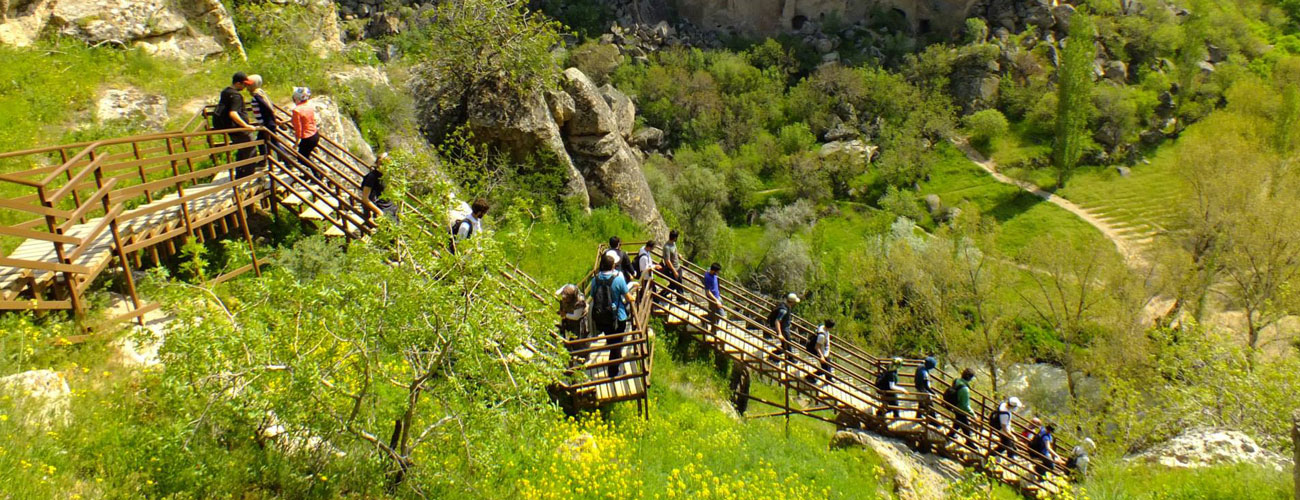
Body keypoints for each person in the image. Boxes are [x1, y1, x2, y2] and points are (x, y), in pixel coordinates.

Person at [589, 253, 630, 378]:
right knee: (616, 344)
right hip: (618, 317)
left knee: (611, 340)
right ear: (613, 266)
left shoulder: (595, 280)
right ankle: (613, 372)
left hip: (602, 317)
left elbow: (592, 296)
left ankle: (616, 362)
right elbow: (629, 298)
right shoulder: (618, 279)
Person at [213, 72, 257, 176]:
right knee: (250, 149)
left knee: (242, 151)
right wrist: (246, 126)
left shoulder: (225, 92)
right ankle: (247, 175)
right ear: (237, 83)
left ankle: (240, 174)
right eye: (244, 84)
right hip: (238, 128)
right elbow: (233, 113)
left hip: (230, 127)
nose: (246, 86)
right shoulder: (236, 96)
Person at [244, 74, 280, 176]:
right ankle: (265, 161)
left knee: (274, 143)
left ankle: (287, 162)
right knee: (265, 142)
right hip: (266, 123)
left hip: (267, 124)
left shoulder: (257, 95)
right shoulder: (261, 93)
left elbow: (267, 107)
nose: (247, 88)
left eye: (249, 85)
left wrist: (273, 118)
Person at [290, 87, 321, 180]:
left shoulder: (297, 110)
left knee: (301, 158)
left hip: (307, 137)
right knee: (306, 156)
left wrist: (296, 143)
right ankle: (313, 174)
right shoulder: (309, 106)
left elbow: (298, 130)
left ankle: (318, 173)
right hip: (315, 134)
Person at [361, 152, 398, 223]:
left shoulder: (385, 176)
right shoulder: (372, 177)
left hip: (389, 208)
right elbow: (365, 198)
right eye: (382, 163)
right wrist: (379, 212)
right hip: (381, 208)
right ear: (378, 163)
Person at [765, 293, 799, 361]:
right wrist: (780, 334)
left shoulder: (785, 305)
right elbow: (777, 321)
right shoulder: (784, 310)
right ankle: (790, 358)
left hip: (785, 327)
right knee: (787, 343)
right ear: (792, 302)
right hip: (783, 329)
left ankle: (773, 356)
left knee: (785, 345)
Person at [945, 368, 976, 441]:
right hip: (960, 409)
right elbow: (965, 405)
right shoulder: (965, 389)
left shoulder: (957, 380)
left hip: (955, 405)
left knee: (958, 422)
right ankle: (969, 442)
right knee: (965, 426)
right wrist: (973, 415)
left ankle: (951, 434)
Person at [803, 320, 835, 385]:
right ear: (830, 327)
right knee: (825, 367)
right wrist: (822, 356)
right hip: (818, 351)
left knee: (827, 364)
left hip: (823, 351)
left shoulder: (823, 328)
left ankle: (828, 379)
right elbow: (817, 347)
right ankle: (809, 377)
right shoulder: (821, 335)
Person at [661, 230, 685, 304]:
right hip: (672, 269)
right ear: (674, 237)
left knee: (678, 283)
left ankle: (680, 298)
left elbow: (675, 252)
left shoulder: (673, 243)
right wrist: (674, 271)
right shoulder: (667, 247)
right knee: (675, 284)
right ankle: (661, 295)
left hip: (677, 266)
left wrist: (678, 255)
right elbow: (667, 261)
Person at [703, 262, 724, 331]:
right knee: (720, 314)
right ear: (714, 271)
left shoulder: (712, 273)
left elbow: (708, 269)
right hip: (713, 298)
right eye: (718, 271)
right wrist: (716, 300)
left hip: (717, 296)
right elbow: (708, 292)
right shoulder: (708, 278)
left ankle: (713, 329)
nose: (718, 273)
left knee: (714, 313)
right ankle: (704, 319)